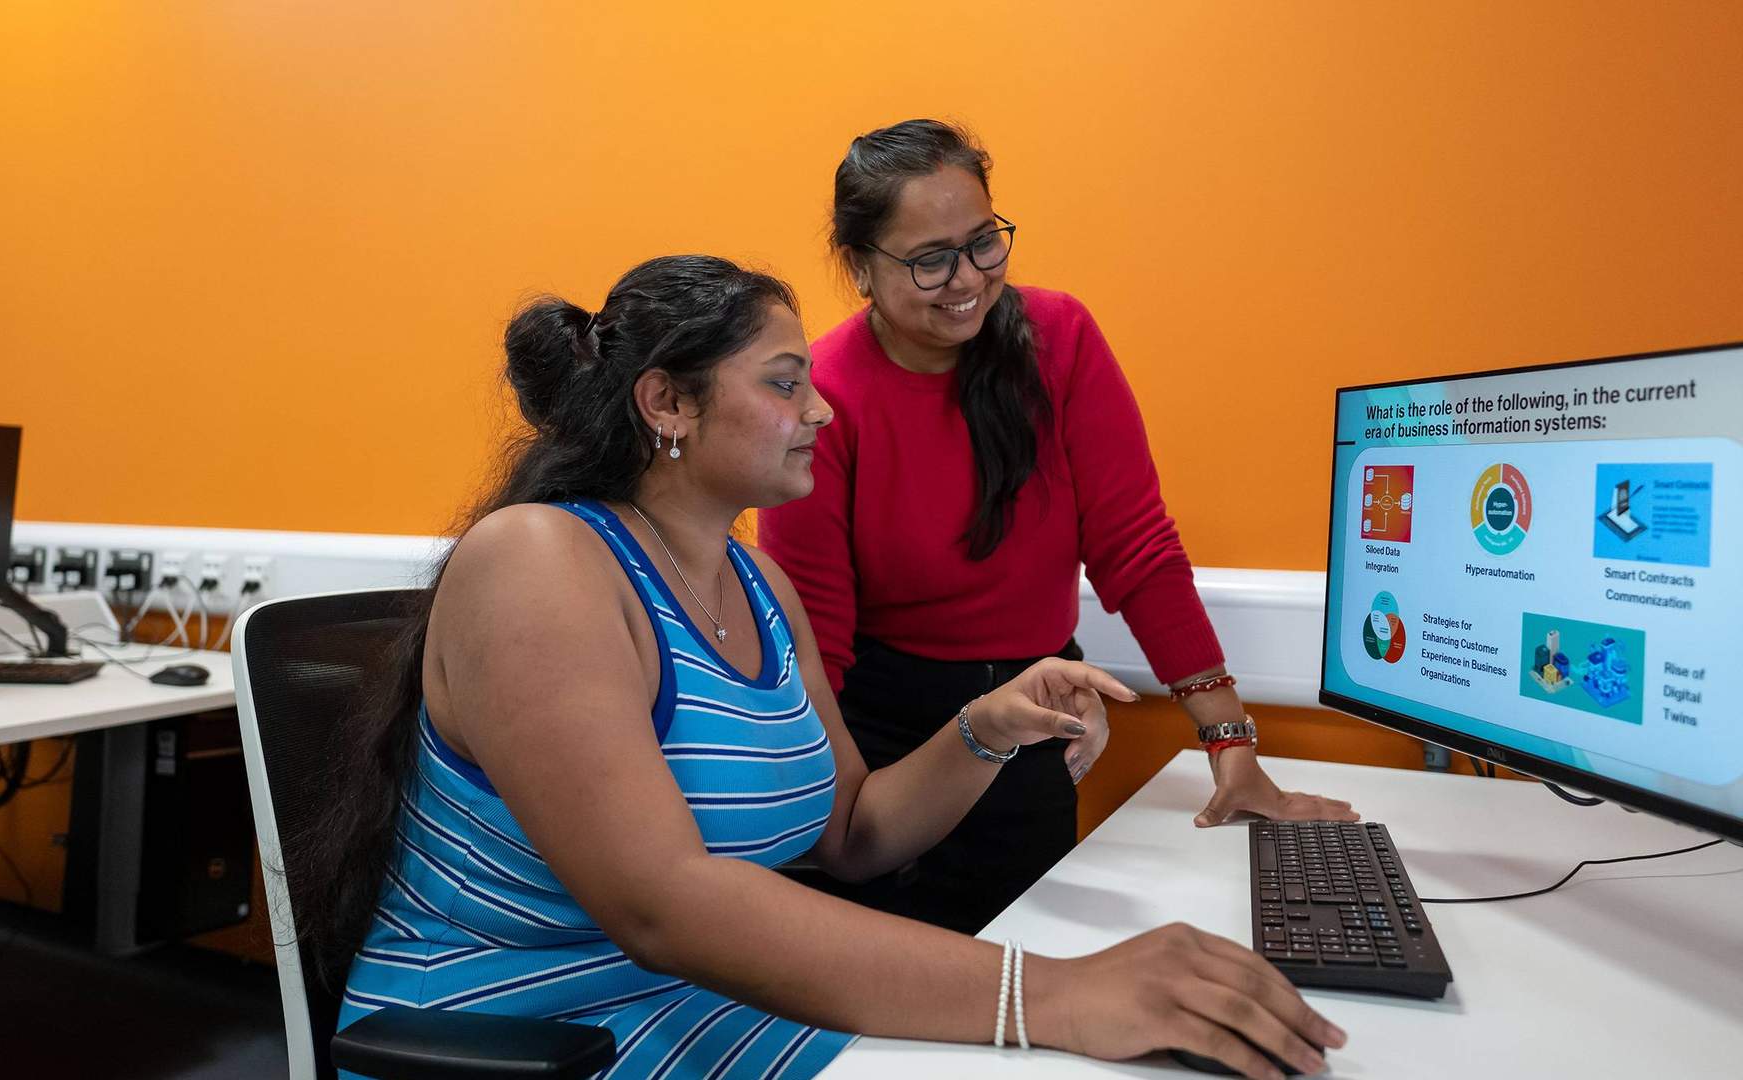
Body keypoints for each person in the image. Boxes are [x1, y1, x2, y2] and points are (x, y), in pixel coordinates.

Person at [294, 254, 1346, 1080]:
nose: (823, 410)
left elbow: (850, 834)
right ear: (668, 404)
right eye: (786, 384)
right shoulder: (540, 562)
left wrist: (991, 725)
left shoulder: (757, 586)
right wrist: (1056, 993)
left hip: (698, 1008)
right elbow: (662, 906)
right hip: (539, 1037)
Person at [759, 119, 1357, 934]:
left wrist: (1231, 745)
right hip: (889, 743)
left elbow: (1136, 549)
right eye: (929, 258)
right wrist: (832, 816)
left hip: (1039, 724)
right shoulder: (825, 397)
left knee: (1029, 985)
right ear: (861, 265)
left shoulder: (1059, 339)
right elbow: (814, 641)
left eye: (984, 243)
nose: (966, 278)